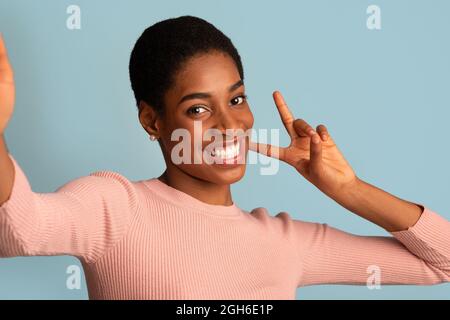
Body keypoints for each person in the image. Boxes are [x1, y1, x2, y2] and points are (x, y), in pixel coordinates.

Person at [0, 15, 448, 300]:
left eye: (236, 100)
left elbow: (441, 264)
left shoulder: (284, 241)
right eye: (198, 109)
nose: (230, 125)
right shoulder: (114, 208)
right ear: (152, 121)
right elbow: (19, 231)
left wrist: (349, 189)